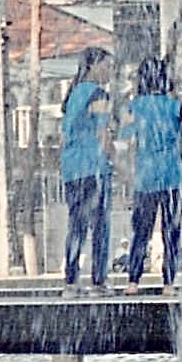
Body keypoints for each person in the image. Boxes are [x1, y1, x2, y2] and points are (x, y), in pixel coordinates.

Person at [119, 57, 182, 294]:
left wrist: (127, 173)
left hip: (145, 177)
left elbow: (125, 141)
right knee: (172, 231)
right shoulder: (176, 106)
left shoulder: (133, 107)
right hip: (172, 177)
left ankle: (133, 282)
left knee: (141, 232)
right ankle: (168, 284)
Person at [61, 46, 116, 295]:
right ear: (93, 66)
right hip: (94, 170)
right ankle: (99, 282)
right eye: (107, 65)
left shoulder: (73, 95)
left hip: (72, 170)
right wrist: (118, 162)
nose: (110, 71)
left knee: (76, 226)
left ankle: (71, 282)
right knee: (100, 227)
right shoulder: (98, 95)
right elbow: (103, 134)